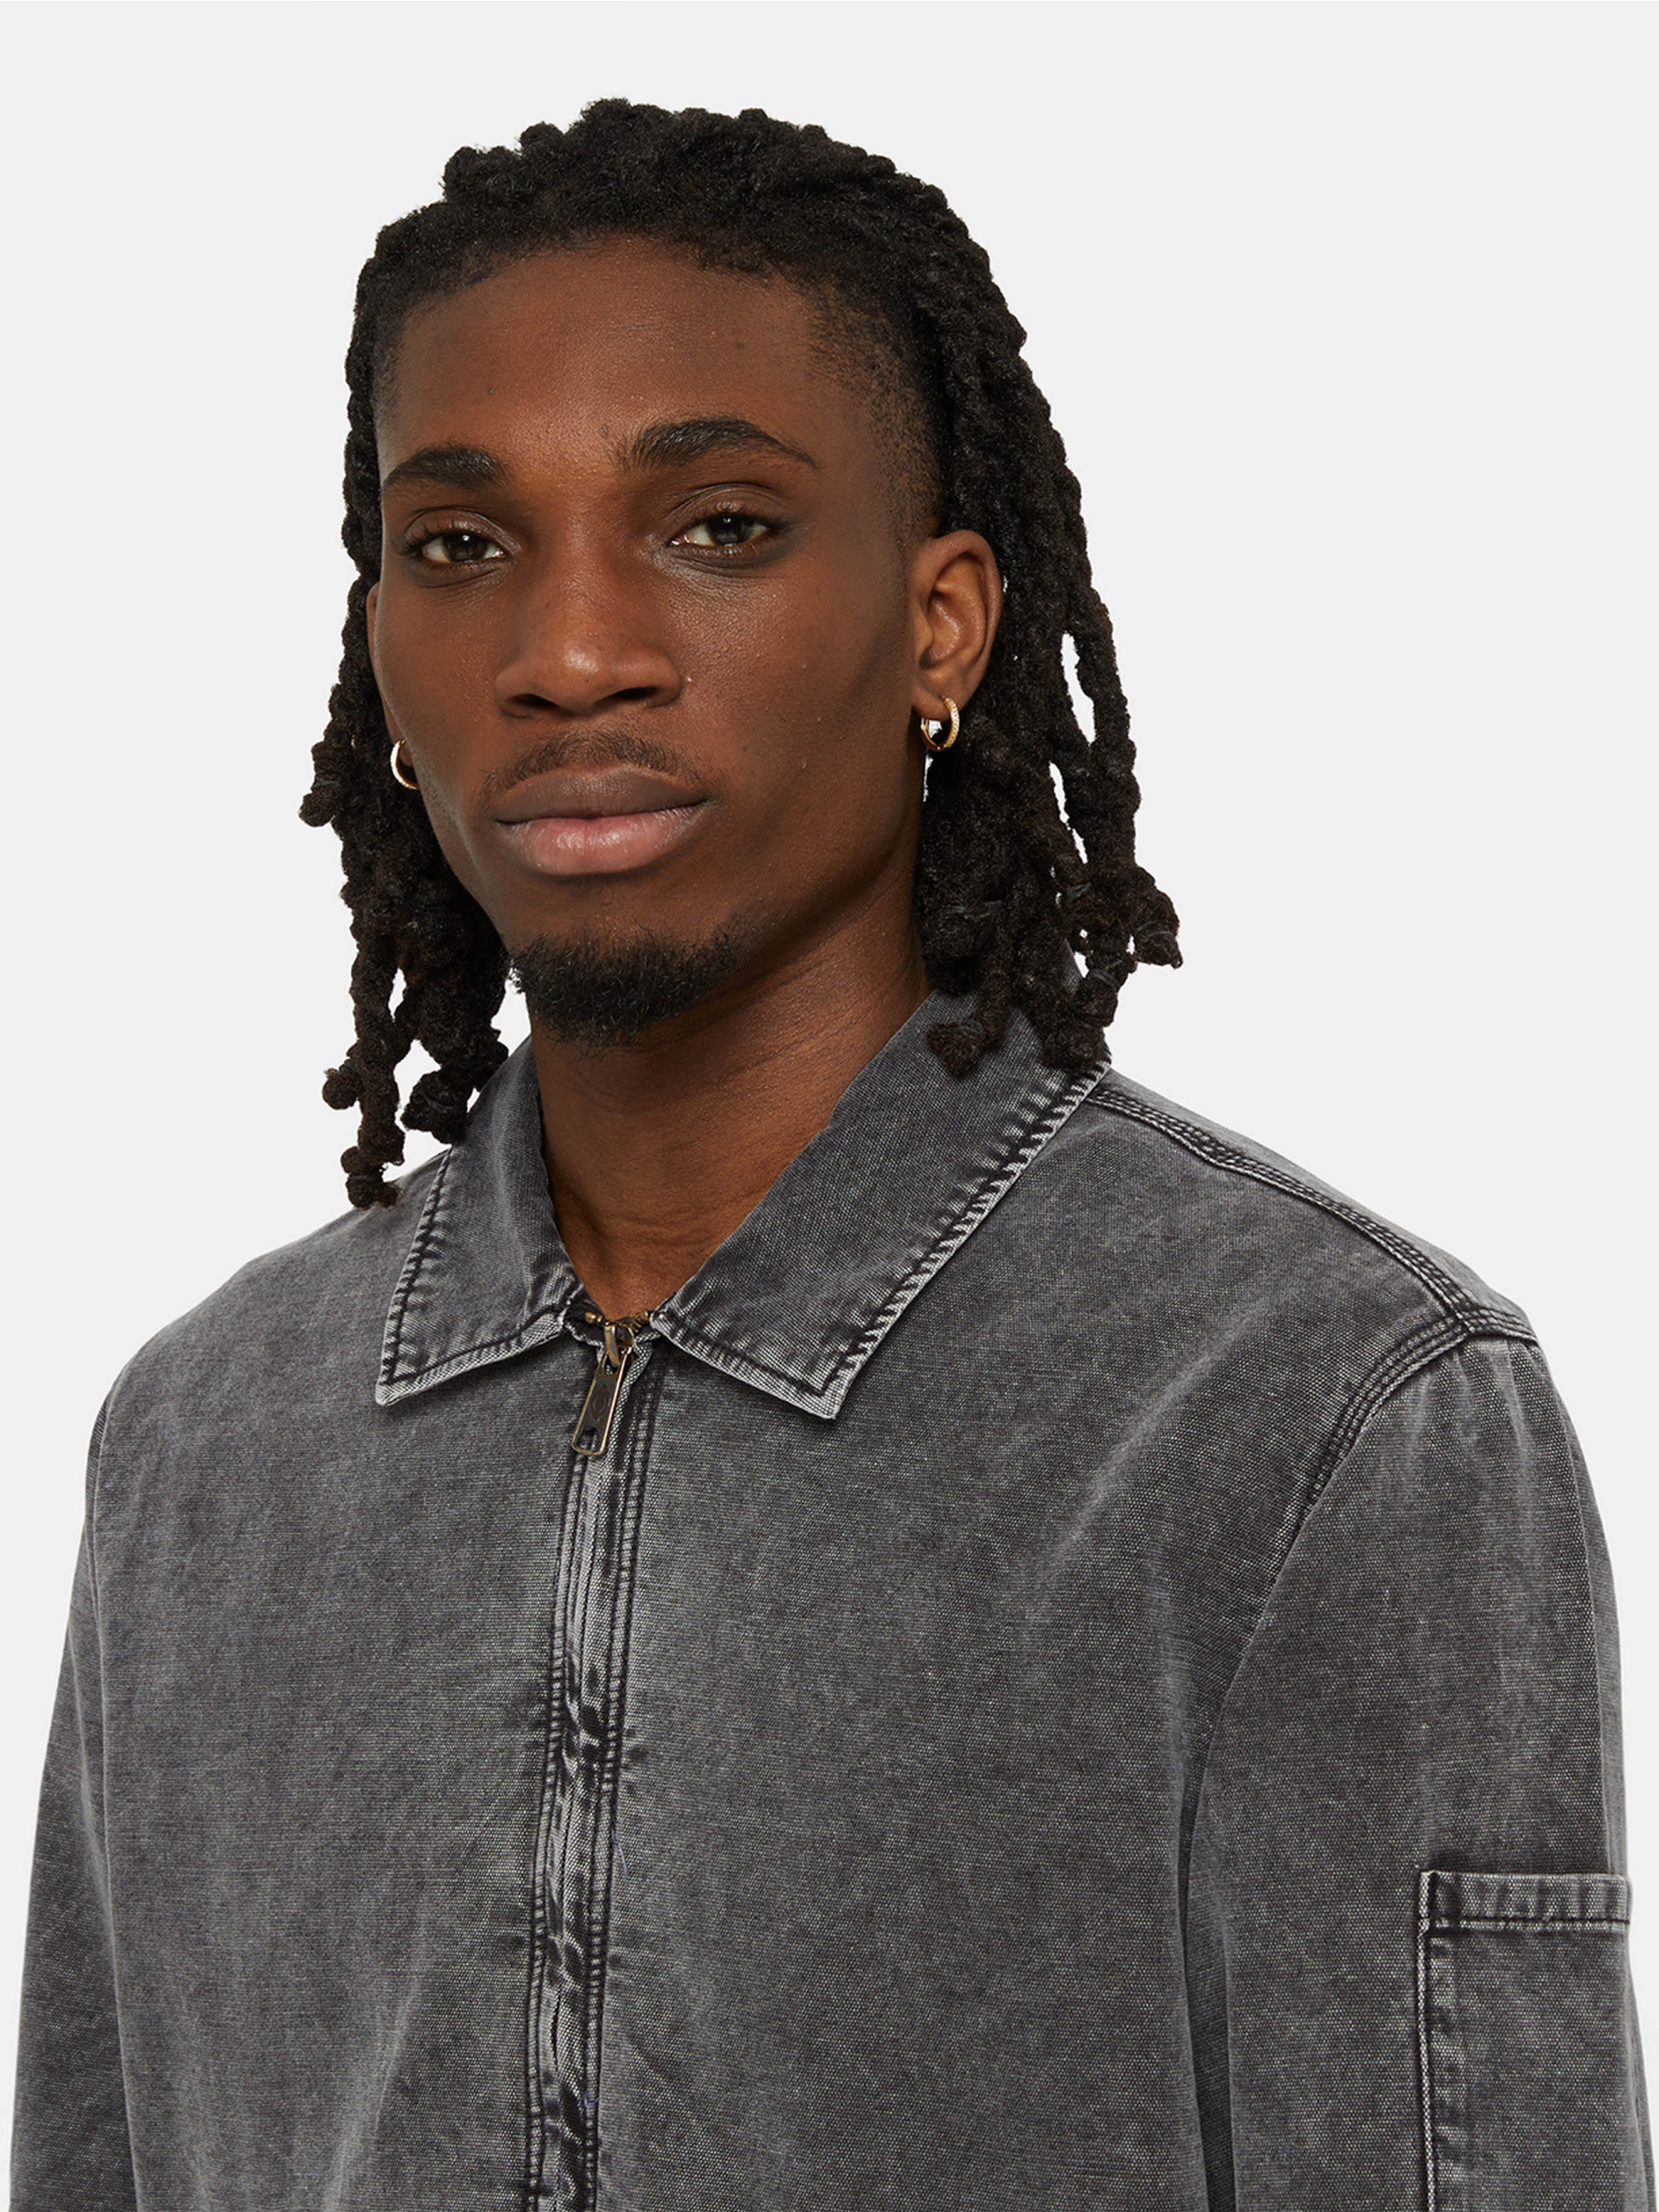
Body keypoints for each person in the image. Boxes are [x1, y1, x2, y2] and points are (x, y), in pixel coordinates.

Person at [11, 97, 1649, 2211]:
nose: (568, 654)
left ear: (942, 623)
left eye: (717, 527)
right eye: (462, 545)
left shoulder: (1317, 1413)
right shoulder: (204, 1446)